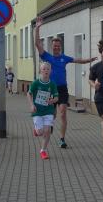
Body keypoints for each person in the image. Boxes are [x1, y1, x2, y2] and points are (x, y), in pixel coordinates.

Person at [33, 17, 97, 149]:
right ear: (52, 47)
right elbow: (37, 44)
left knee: (62, 112)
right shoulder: (46, 56)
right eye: (54, 46)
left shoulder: (64, 58)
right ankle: (48, 125)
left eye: (58, 46)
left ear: (60, 47)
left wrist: (89, 60)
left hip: (62, 89)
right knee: (52, 114)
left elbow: (78, 60)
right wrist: (37, 28)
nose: (56, 47)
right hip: (49, 89)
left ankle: (62, 139)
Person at [28, 62, 59, 160]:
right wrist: (32, 105)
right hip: (37, 111)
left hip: (48, 110)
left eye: (48, 69)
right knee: (40, 132)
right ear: (40, 71)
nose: (46, 71)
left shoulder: (52, 84)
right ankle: (36, 130)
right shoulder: (36, 83)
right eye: (44, 69)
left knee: (47, 131)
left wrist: (52, 101)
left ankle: (43, 150)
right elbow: (29, 94)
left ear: (50, 71)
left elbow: (57, 98)